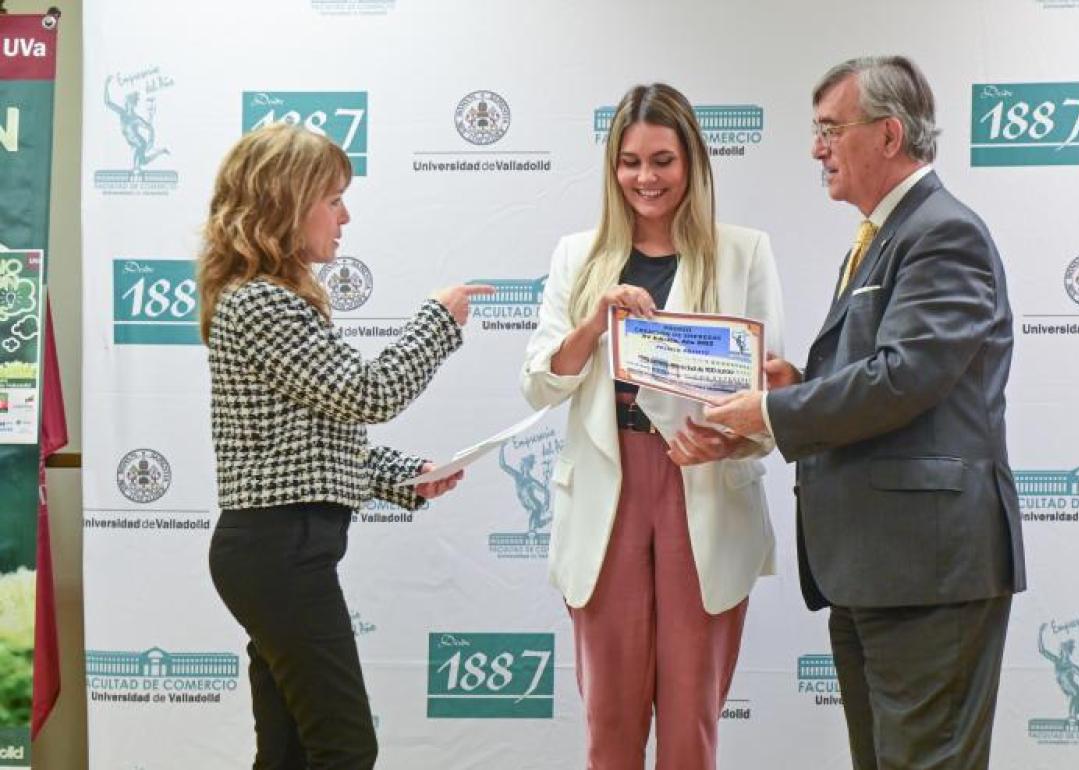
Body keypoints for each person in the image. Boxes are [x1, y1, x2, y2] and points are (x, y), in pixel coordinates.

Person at [705, 56, 1026, 770]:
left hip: (927, 568)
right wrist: (797, 383)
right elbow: (887, 372)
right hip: (878, 568)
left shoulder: (944, 232)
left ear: (887, 135)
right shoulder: (885, 235)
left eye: (829, 129)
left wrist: (772, 410)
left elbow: (904, 377)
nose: (817, 149)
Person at [199, 123, 491, 769]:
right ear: (285, 201)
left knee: (291, 752)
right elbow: (369, 394)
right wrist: (438, 321)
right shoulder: (263, 305)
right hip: (280, 550)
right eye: (332, 198)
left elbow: (304, 443)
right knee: (343, 749)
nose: (345, 215)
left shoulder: (264, 300)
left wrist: (398, 476)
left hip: (276, 547)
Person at [521, 83, 784, 770]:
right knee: (608, 726)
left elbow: (768, 397)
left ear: (693, 162)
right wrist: (595, 321)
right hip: (608, 494)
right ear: (613, 168)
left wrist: (729, 436)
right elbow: (539, 382)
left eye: (663, 160)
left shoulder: (744, 252)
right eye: (631, 162)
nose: (647, 178)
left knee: (690, 730)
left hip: (703, 486)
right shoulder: (577, 256)